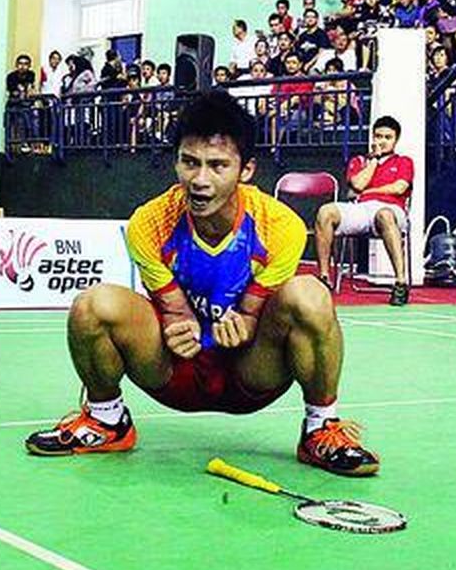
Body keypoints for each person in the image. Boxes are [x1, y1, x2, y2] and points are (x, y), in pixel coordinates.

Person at [23, 92, 380, 476]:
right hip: (174, 371)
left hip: (250, 372)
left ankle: (320, 428)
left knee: (310, 295)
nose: (200, 180)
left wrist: (245, 324)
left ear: (246, 170)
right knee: (92, 305)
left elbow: (252, 314)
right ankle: (106, 420)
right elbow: (175, 310)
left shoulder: (281, 227)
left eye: (218, 165)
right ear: (175, 161)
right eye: (189, 162)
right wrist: (176, 325)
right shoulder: (150, 222)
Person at [314, 116, 414, 306]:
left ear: (396, 140)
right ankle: (324, 278)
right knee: (325, 212)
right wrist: (374, 160)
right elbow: (358, 184)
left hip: (392, 210)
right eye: (378, 136)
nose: (382, 141)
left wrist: (370, 192)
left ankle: (400, 283)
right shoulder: (359, 161)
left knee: (384, 215)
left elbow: (399, 188)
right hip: (361, 209)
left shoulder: (404, 161)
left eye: (388, 137)